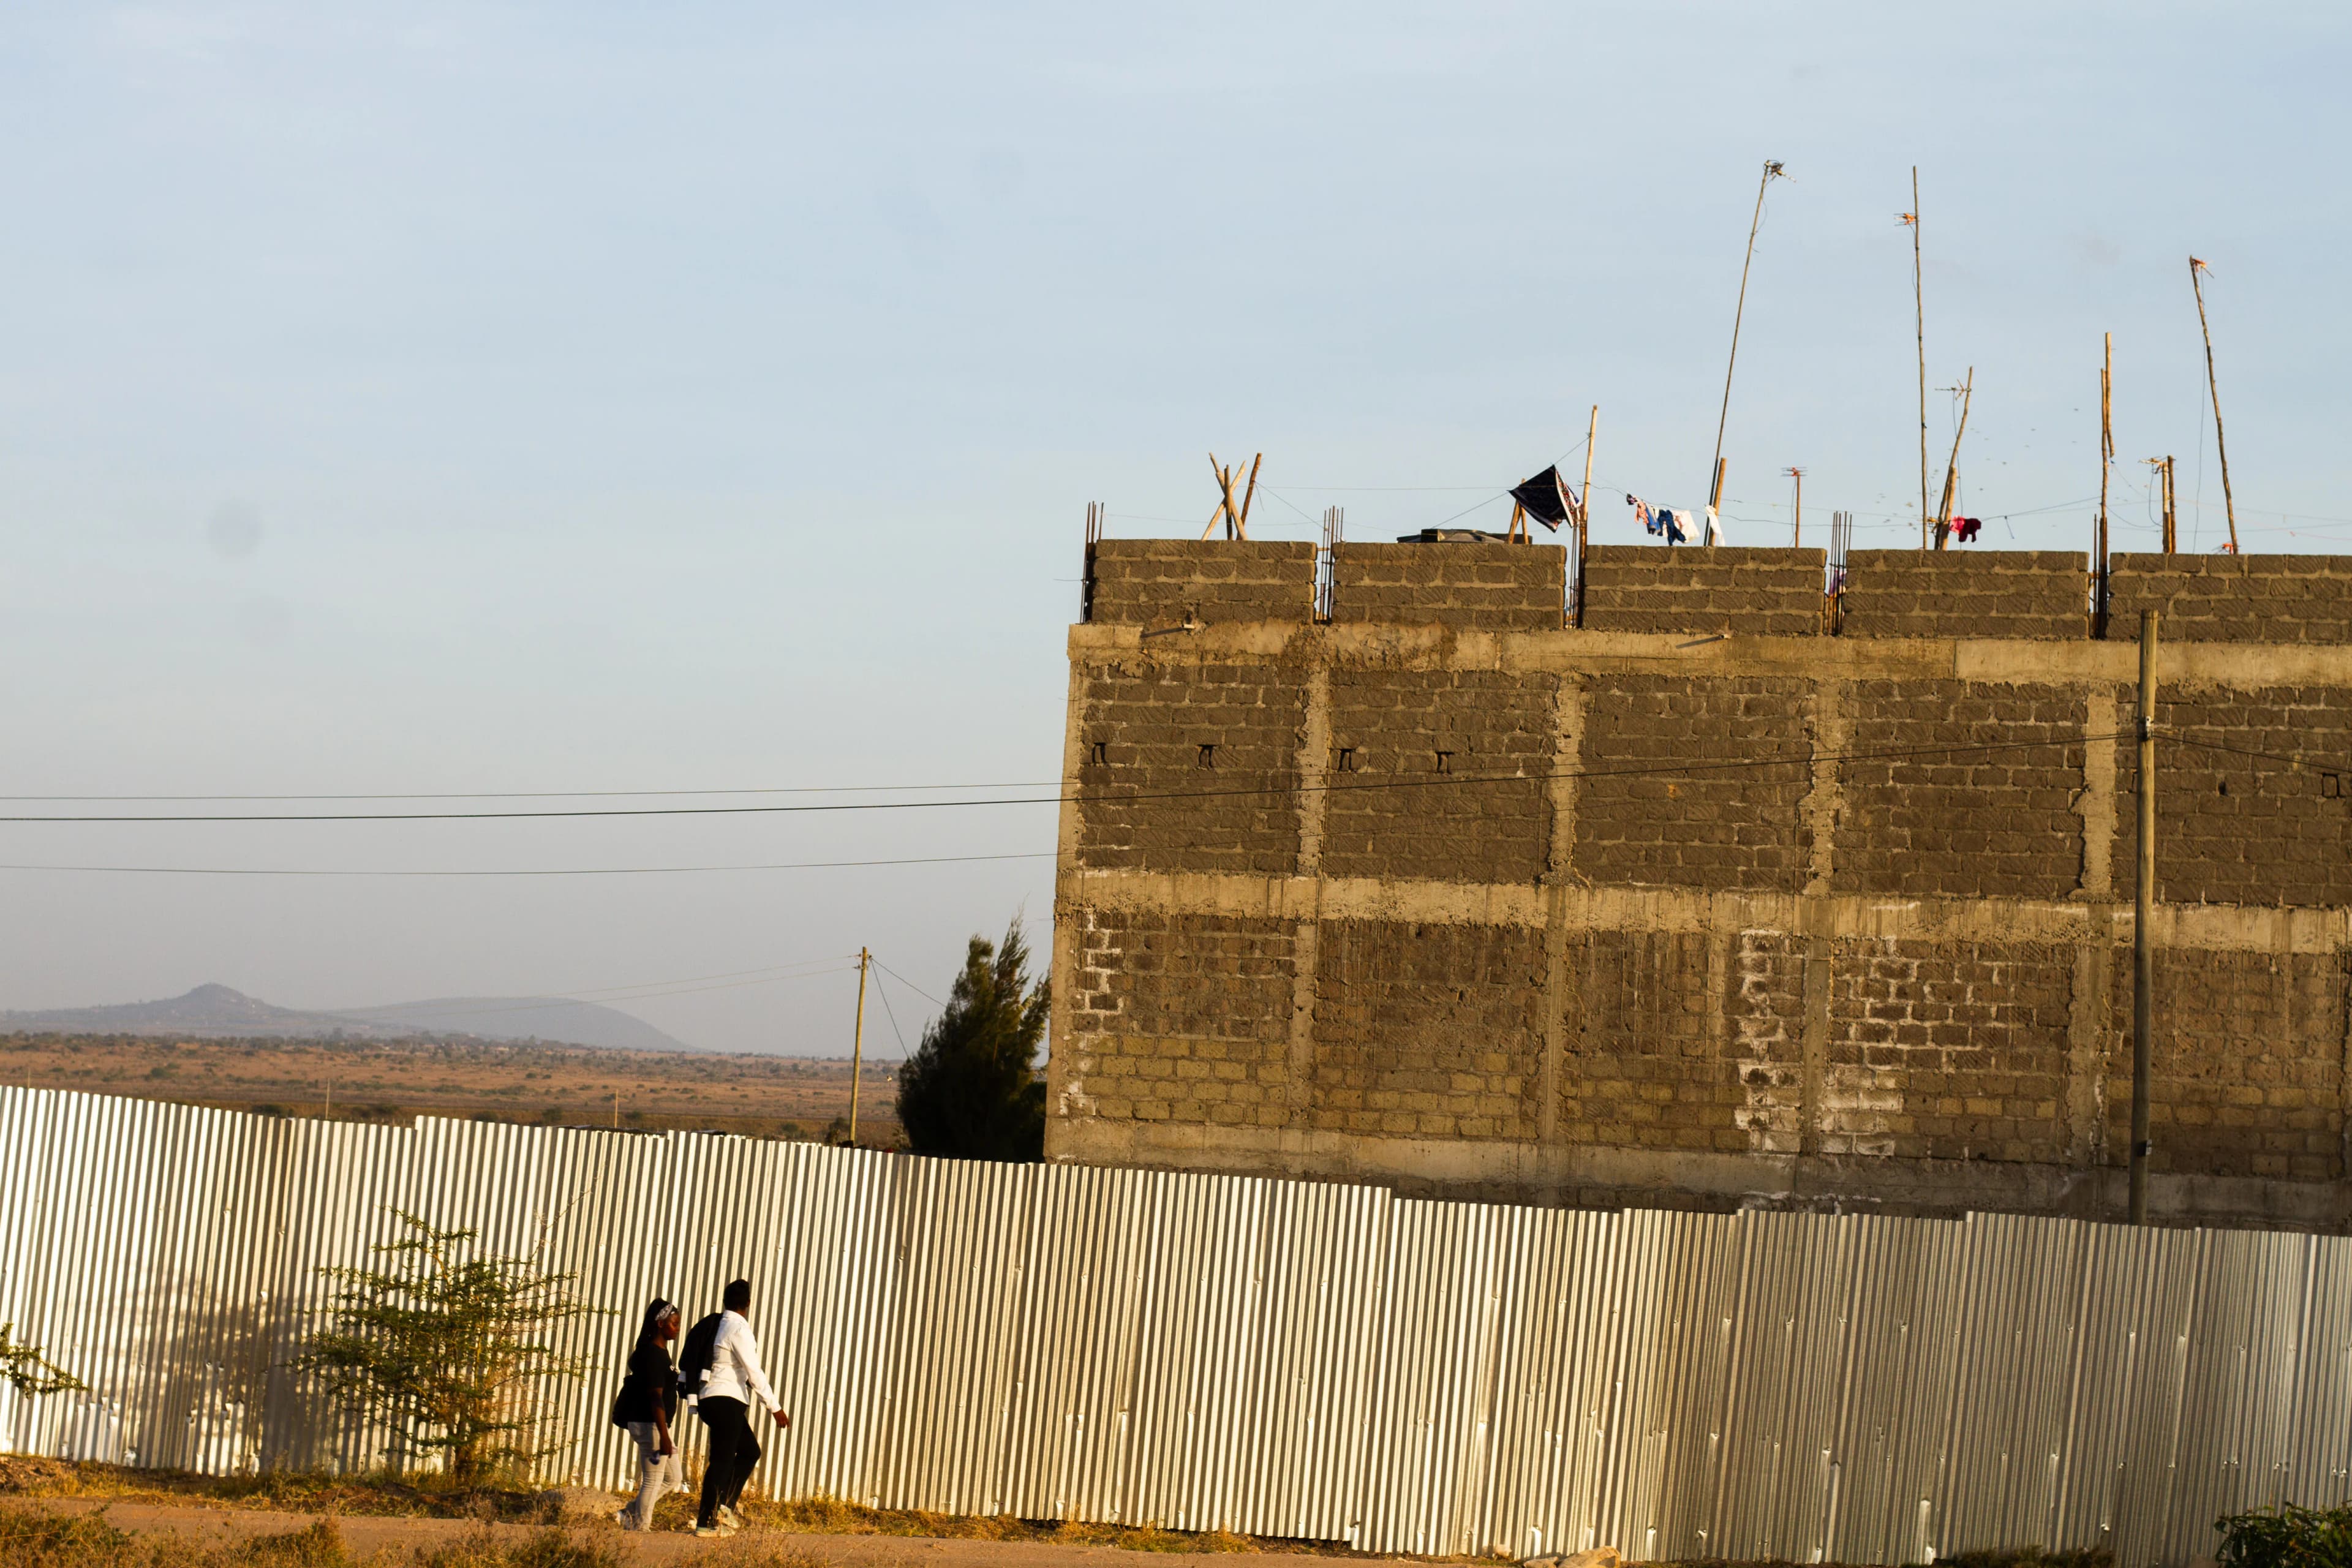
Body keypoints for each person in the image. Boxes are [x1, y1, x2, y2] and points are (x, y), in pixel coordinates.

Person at [693, 1277, 789, 1538]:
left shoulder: (718, 1326)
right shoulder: (738, 1328)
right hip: (726, 1399)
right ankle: (706, 1521)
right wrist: (774, 1407)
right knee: (722, 1461)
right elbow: (753, 1371)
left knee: (749, 1451)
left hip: (712, 1398)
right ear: (747, 1303)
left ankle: (723, 1507)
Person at [615, 1298, 682, 1531]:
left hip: (658, 1426)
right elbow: (656, 1398)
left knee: (672, 1478)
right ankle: (639, 1529)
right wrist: (664, 1436)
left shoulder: (661, 1352)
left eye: (678, 1324)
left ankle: (630, 1513)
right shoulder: (653, 1355)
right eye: (674, 1324)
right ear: (660, 1323)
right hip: (651, 1425)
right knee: (653, 1479)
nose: (678, 1328)